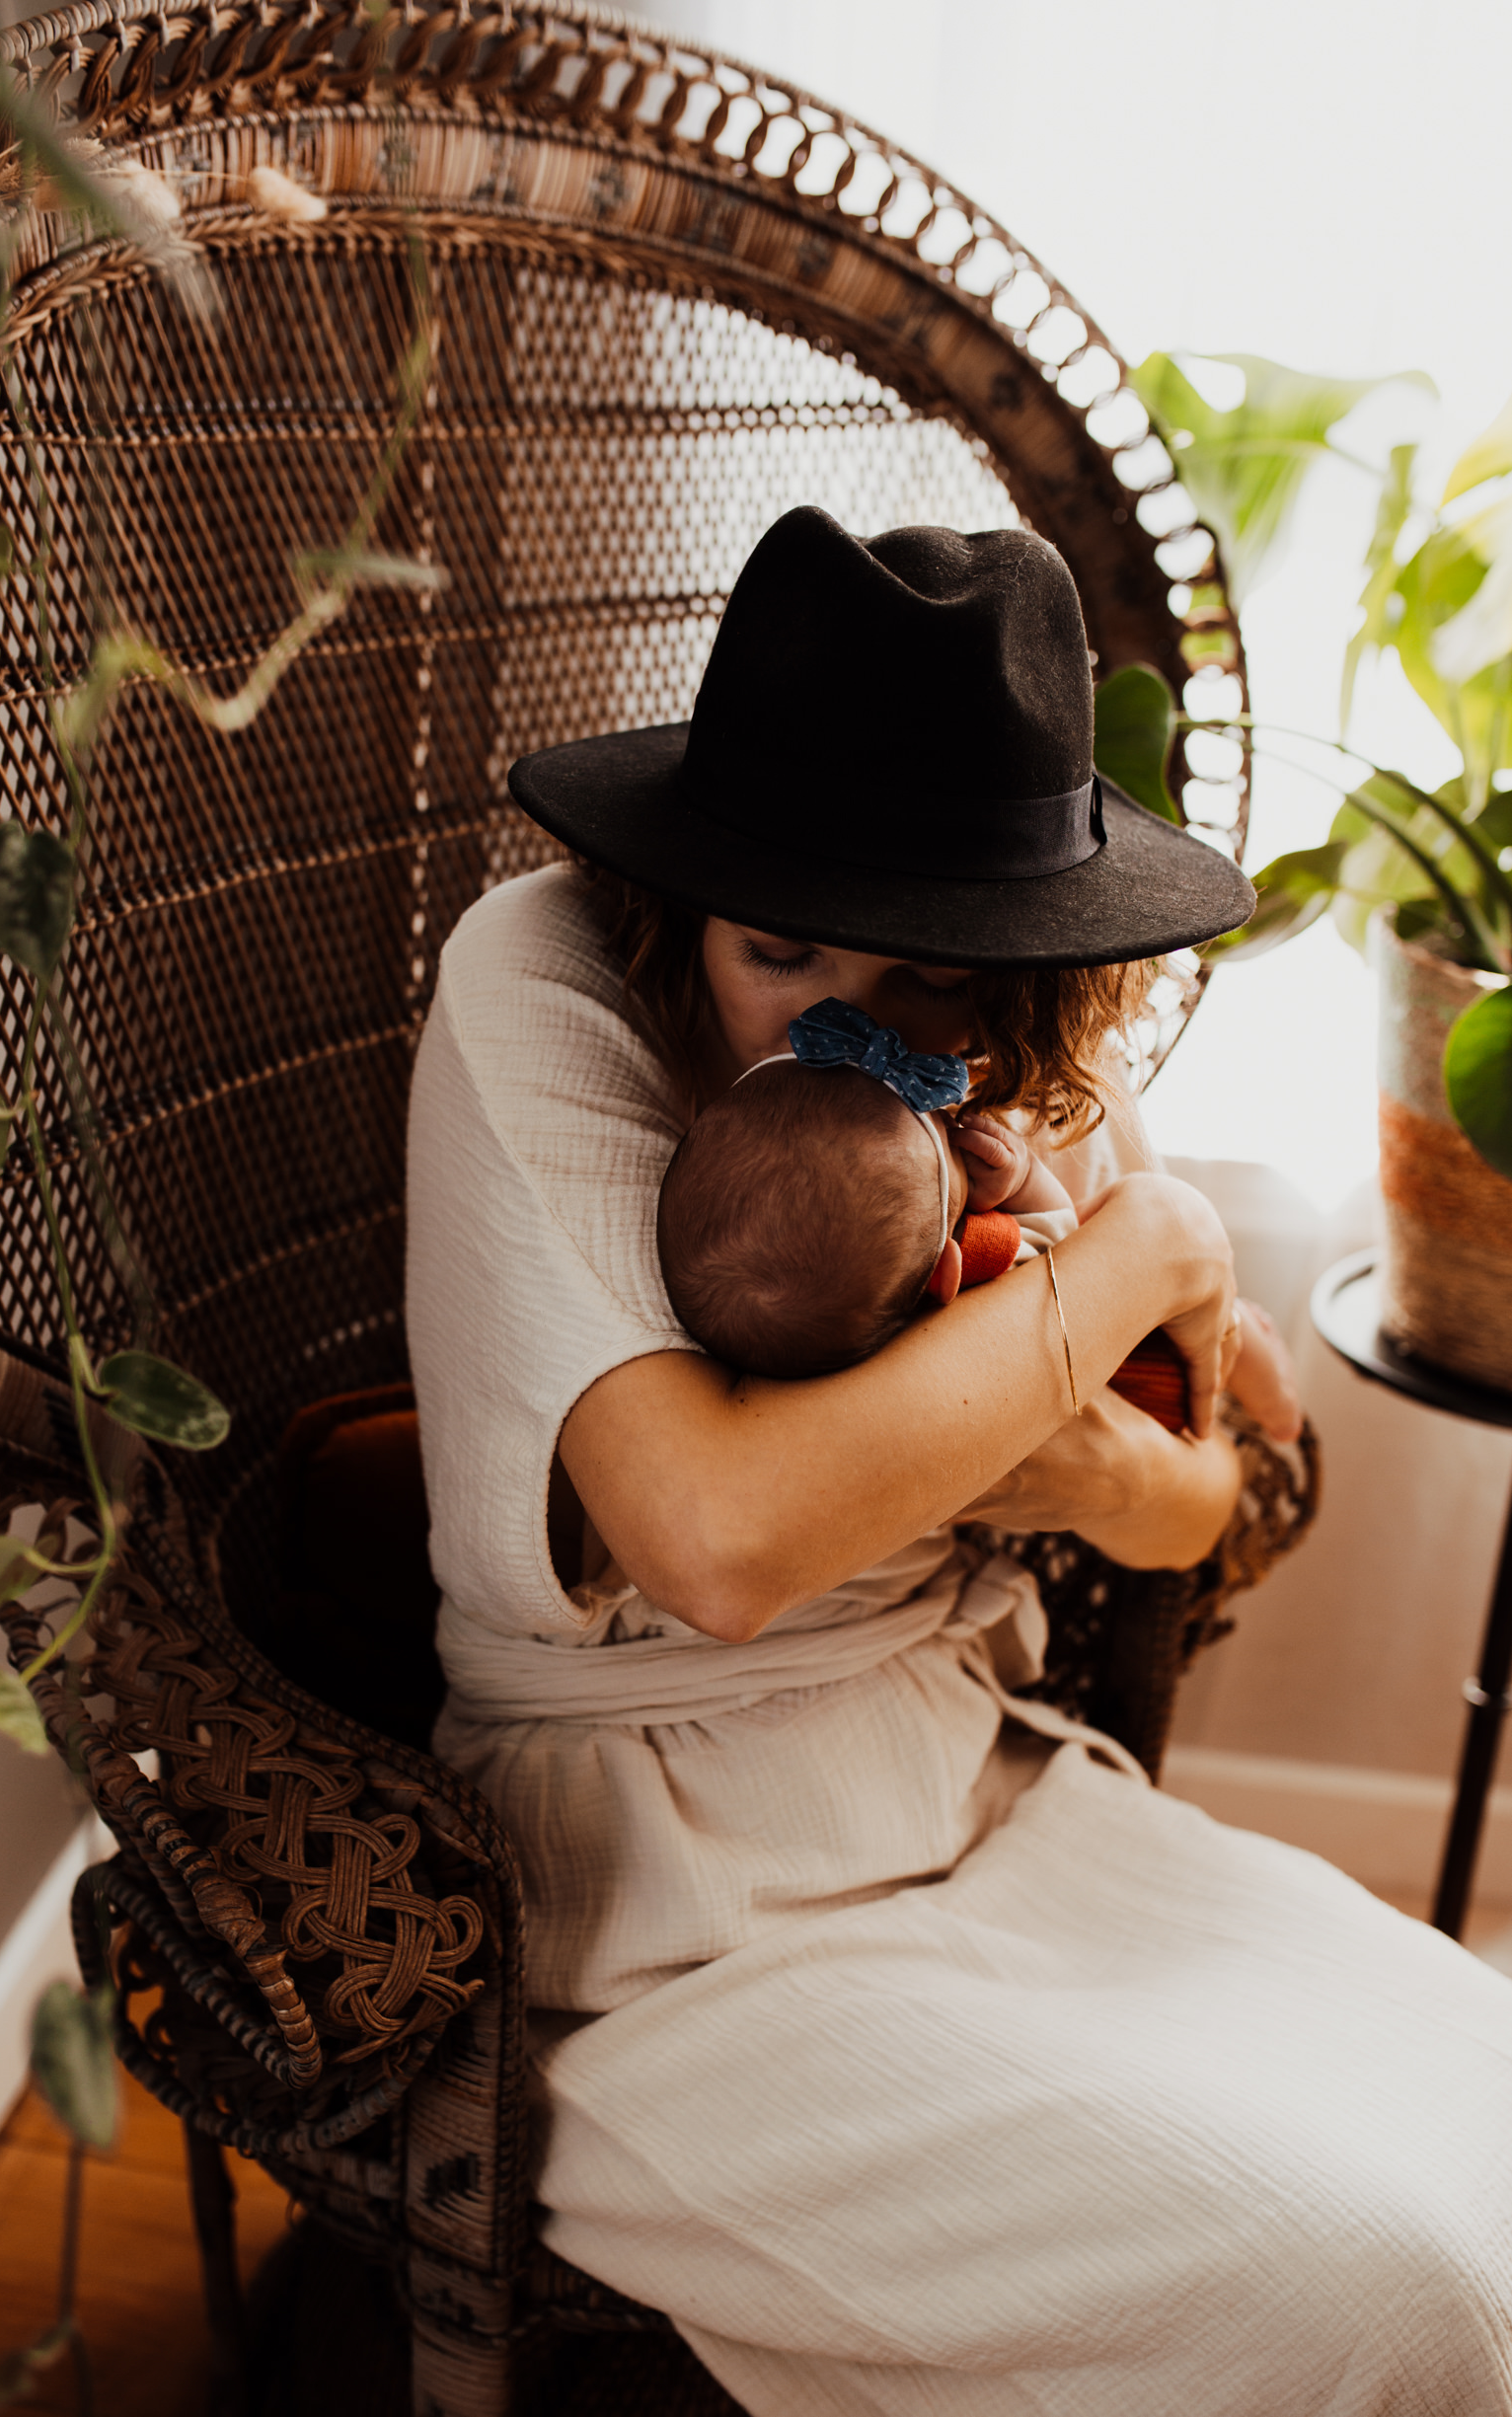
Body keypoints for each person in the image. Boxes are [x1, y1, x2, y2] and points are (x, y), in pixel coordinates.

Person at [407, 508, 1512, 2416]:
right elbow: (719, 1542)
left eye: (928, 975)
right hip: (660, 1913)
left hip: (991, 1785)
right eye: (781, 948)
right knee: (1386, 2303)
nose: (852, 1019)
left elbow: (1191, 1495)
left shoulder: (1018, 1053)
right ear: (694, 896)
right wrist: (1127, 1275)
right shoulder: (543, 974)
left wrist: (1039, 1431)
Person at [653, 995, 1302, 1443]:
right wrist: (1020, 1180)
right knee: (1191, 1357)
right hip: (1121, 1361)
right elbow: (1062, 1239)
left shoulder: (807, 1319)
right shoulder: (985, 1257)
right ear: (946, 1273)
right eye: (943, 1135)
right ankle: (1252, 1365)